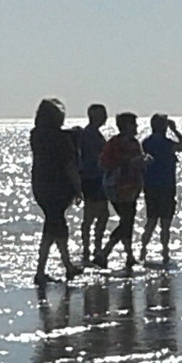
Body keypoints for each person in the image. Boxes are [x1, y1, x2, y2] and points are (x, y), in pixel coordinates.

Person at [30, 98, 83, 285]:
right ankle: (53, 268)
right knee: (57, 227)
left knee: (54, 226)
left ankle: (58, 266)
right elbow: (69, 166)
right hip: (58, 187)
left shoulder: (36, 135)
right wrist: (78, 188)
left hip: (41, 185)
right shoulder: (62, 140)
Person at [139, 113, 182, 265]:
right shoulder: (167, 144)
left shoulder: (146, 142)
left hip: (151, 186)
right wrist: (175, 130)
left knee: (151, 221)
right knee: (165, 223)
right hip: (166, 186)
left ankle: (143, 249)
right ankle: (165, 251)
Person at [99, 112, 146, 269]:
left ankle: (129, 254)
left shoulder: (133, 143)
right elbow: (105, 163)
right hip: (118, 186)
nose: (136, 127)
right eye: (134, 124)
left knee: (128, 220)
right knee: (126, 220)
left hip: (130, 186)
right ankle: (105, 253)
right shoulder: (116, 143)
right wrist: (130, 162)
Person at [78, 104, 110, 266]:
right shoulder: (89, 135)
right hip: (92, 178)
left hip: (96, 178)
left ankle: (93, 247)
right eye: (102, 115)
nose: (105, 117)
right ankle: (90, 248)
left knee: (99, 215)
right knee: (93, 215)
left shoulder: (94, 134)